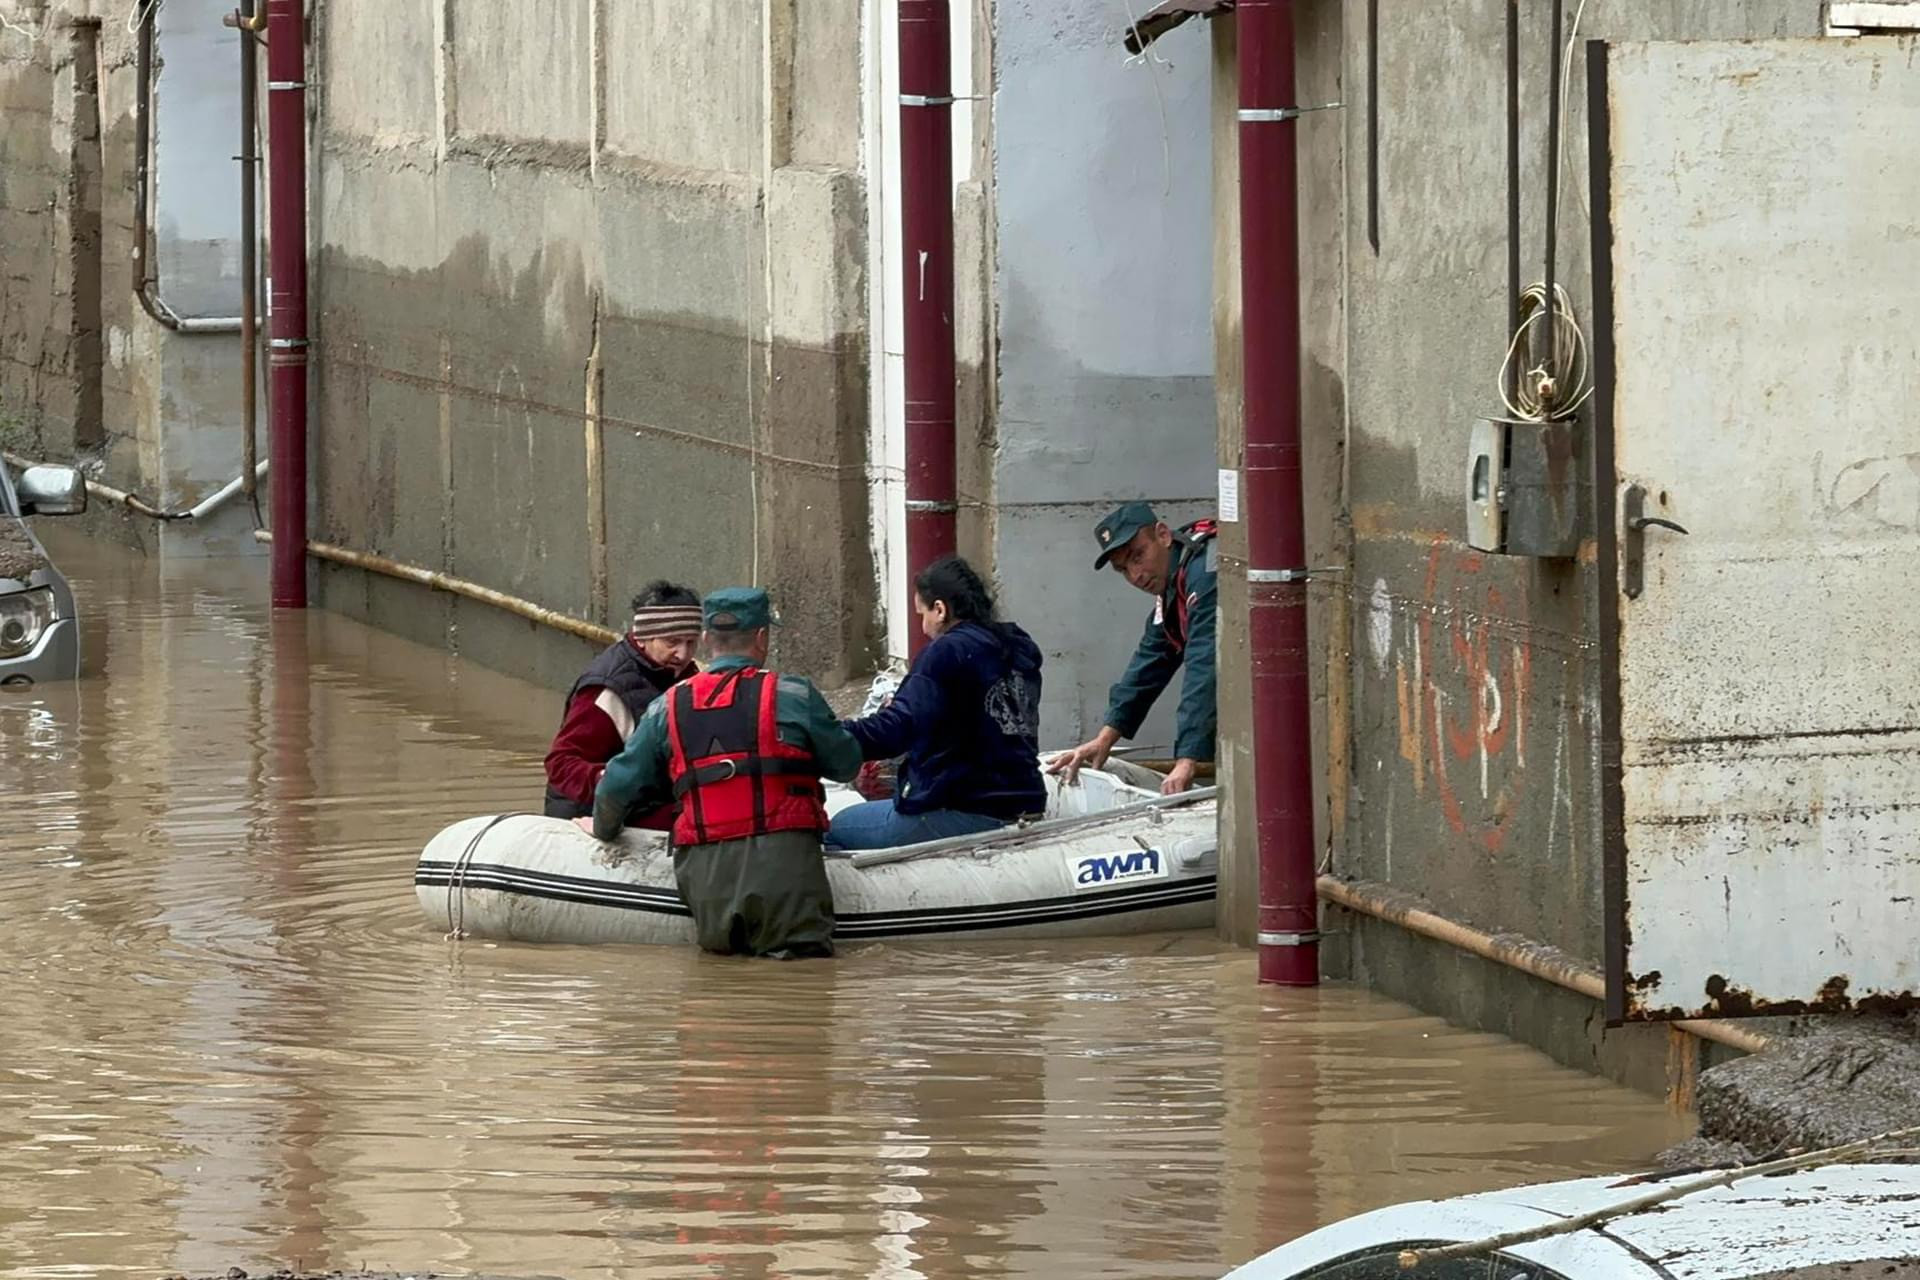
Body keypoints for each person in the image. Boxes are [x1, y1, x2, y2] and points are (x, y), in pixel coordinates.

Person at [582, 588, 863, 959]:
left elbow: (616, 787)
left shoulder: (666, 706)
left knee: (721, 985)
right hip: (785, 870)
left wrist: (602, 830)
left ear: (704, 639)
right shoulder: (794, 694)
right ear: (762, 637)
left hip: (707, 877)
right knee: (799, 985)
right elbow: (846, 764)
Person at [828, 556, 1045, 850]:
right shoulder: (1018, 650)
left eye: (922, 614)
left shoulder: (945, 651)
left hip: (964, 810)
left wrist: (829, 735)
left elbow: (896, 732)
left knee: (832, 828)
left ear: (940, 610)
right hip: (1026, 802)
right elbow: (977, 721)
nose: (924, 626)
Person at [1048, 501, 1217, 795]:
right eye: (1123, 569)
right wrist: (1105, 738)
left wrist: (1188, 759)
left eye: (1138, 556)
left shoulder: (1204, 573)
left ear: (1163, 535)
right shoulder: (1174, 582)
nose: (1135, 575)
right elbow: (1150, 660)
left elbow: (1205, 664)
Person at [543, 580, 703, 829]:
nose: (683, 654)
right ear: (642, 637)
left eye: (691, 643)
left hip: (653, 802)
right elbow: (561, 764)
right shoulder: (607, 689)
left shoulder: (683, 676)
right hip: (592, 814)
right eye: (672, 642)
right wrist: (612, 782)